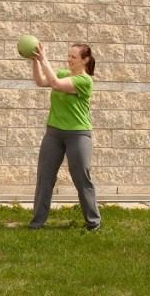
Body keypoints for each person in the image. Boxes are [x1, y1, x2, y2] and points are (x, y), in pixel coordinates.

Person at [27, 42, 101, 231]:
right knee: (45, 178)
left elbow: (55, 84)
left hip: (78, 134)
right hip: (54, 133)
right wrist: (36, 61)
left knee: (81, 178)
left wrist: (44, 58)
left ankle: (93, 222)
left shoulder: (85, 81)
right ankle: (37, 222)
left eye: (73, 57)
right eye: (68, 56)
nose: (69, 60)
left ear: (84, 60)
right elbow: (41, 81)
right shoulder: (62, 73)